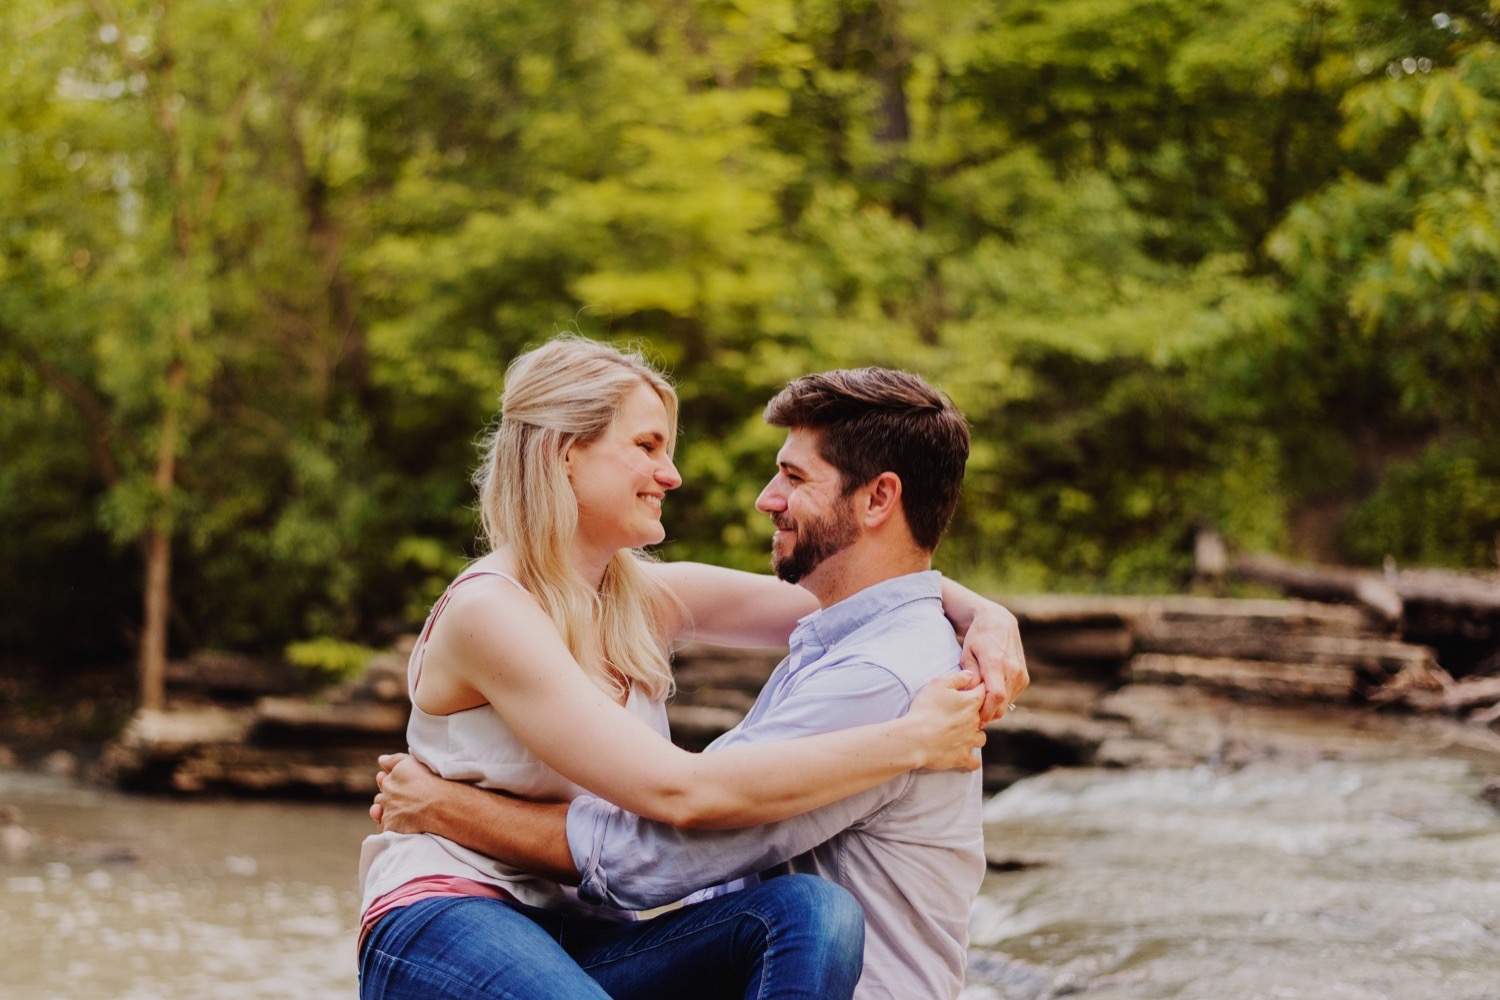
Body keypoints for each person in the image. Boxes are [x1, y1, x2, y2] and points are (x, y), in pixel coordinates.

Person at [357, 336, 1026, 1000]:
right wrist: (911, 741)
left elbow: (858, 593)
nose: (672, 474)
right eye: (647, 446)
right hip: (453, 914)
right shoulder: (493, 612)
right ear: (566, 455)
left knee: (812, 914)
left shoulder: (641, 598)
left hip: (589, 934)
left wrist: (988, 615)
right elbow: (682, 794)